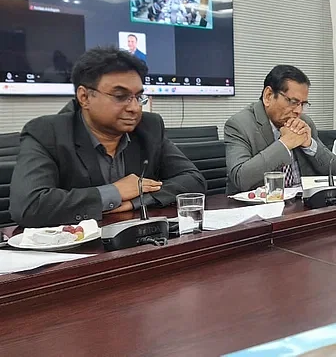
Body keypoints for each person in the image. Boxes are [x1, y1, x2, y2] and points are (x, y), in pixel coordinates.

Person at [10, 46, 206, 227]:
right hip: (76, 253)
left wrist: (136, 200)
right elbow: (28, 205)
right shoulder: (46, 133)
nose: (135, 108)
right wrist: (114, 192)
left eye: (138, 97)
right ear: (84, 97)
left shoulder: (149, 126)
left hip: (138, 243)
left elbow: (193, 180)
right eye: (120, 97)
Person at [224, 65, 336, 194]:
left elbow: (333, 170)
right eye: (293, 102)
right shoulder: (239, 125)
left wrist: (310, 145)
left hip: (303, 204)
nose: (298, 111)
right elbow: (240, 178)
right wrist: (285, 144)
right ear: (268, 96)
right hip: (262, 207)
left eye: (303, 104)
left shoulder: (304, 122)